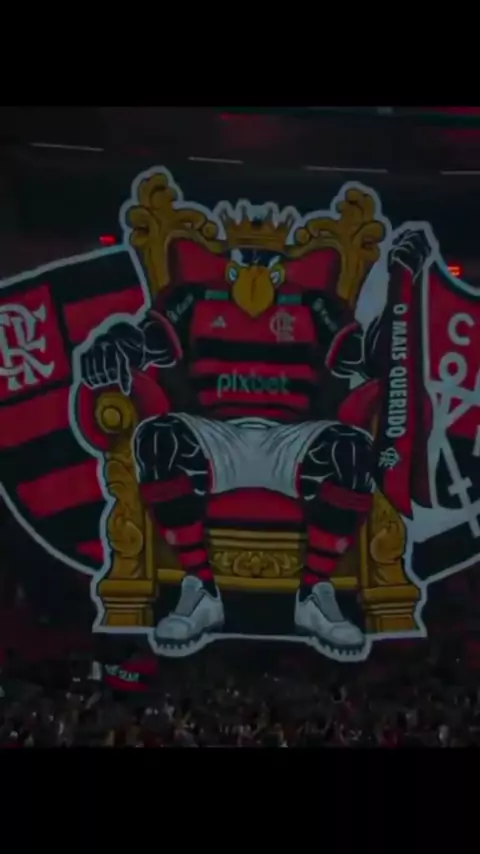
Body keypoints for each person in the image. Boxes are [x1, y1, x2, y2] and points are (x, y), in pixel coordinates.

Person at [80, 222, 431, 656]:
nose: (256, 270)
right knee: (158, 438)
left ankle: (313, 594)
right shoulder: (192, 297)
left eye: (267, 262)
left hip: (289, 435)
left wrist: (401, 289)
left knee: (351, 450)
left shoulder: (314, 304)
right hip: (217, 432)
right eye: (245, 259)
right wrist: (115, 341)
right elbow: (145, 341)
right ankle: (201, 589)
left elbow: (369, 359)